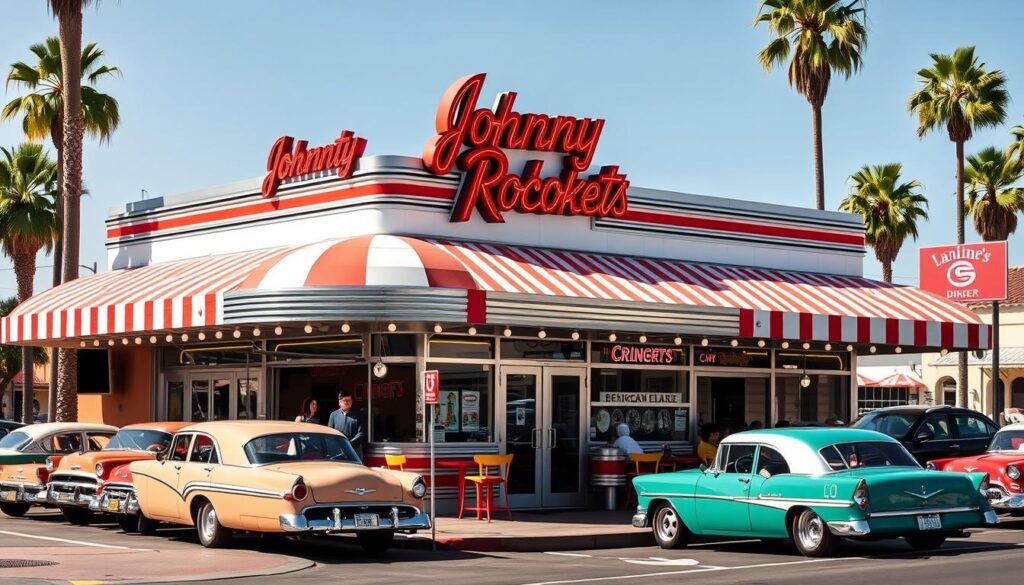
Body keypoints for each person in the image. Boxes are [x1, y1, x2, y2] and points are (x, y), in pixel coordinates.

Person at [328, 391, 365, 458]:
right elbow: (330, 433)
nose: (347, 402)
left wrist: (348, 444)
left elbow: (361, 433)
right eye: (345, 400)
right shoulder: (333, 415)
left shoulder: (359, 414)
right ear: (339, 402)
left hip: (355, 452)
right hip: (338, 451)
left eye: (349, 400)